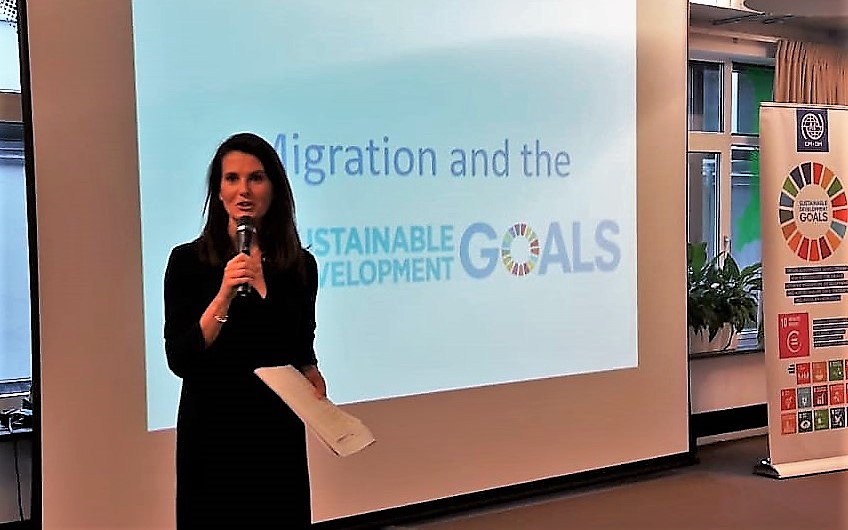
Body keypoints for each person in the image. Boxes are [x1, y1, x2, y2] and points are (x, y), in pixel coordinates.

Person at [164, 132, 326, 528]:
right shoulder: (186, 262)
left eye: (256, 178)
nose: (244, 191)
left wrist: (312, 374)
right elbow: (180, 358)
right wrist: (223, 295)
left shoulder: (299, 266)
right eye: (232, 178)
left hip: (274, 431)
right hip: (212, 432)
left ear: (274, 188)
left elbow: (299, 347)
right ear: (218, 191)